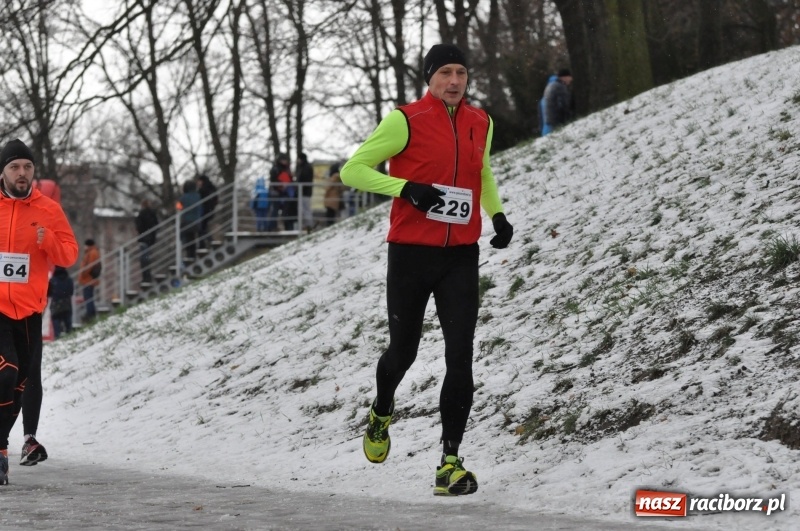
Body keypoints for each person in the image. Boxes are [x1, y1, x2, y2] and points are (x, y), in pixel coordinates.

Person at [340, 43, 514, 496]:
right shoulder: (405, 120)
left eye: (460, 73)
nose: (454, 81)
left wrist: (496, 216)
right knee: (405, 351)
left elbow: (483, 174)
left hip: (460, 255)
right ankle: (381, 411)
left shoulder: (482, 122)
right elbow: (352, 171)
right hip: (411, 254)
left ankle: (449, 462)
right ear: (429, 79)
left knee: (460, 356)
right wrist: (406, 189)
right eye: (444, 74)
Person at [0, 139, 78, 483]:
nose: (22, 173)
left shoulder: (48, 209)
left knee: (22, 380)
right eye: (15, 167)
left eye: (27, 167)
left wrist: (48, 242)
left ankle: (7, 442)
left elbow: (70, 255)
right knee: (5, 372)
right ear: (3, 171)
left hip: (30, 308)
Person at [539, 68, 573, 136]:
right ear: (565, 77)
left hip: (548, 120)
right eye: (570, 77)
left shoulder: (551, 85)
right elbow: (563, 105)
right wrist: (567, 119)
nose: (571, 80)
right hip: (555, 121)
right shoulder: (560, 87)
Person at [176, 180, 202, 262]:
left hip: (186, 221)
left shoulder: (184, 197)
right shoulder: (197, 196)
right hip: (196, 221)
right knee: (193, 238)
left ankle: (189, 255)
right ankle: (193, 255)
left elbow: (178, 207)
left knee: (187, 239)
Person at [135, 198, 159, 284]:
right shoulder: (152, 213)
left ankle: (146, 276)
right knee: (147, 257)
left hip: (143, 239)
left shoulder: (141, 214)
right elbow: (156, 225)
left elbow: (139, 227)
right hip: (151, 239)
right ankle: (148, 275)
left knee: (144, 258)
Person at [267, 153, 293, 231]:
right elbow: (273, 181)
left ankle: (287, 227)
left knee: (286, 210)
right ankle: (272, 227)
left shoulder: (286, 169)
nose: (285, 162)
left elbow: (290, 179)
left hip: (284, 193)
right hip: (276, 193)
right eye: (283, 160)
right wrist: (281, 185)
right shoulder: (275, 169)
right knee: (275, 210)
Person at [77, 238, 101, 322]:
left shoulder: (92, 253)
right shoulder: (92, 252)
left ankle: (90, 314)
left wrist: (83, 274)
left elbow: (89, 265)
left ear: (88, 245)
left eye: (85, 245)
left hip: (88, 279)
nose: (84, 247)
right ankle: (90, 313)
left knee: (88, 297)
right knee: (88, 297)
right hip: (89, 279)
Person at [48, 266, 74, 338]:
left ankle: (57, 337)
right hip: (67, 303)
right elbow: (71, 292)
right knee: (68, 323)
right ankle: (70, 336)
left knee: (56, 321)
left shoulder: (52, 280)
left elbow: (49, 293)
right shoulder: (69, 280)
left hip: (56, 304)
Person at [195, 174, 218, 249]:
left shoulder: (203, 190)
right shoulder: (211, 188)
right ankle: (206, 243)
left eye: (199, 181)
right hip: (209, 210)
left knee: (201, 228)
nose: (198, 183)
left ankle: (207, 243)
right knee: (202, 228)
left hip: (205, 211)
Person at [295, 153, 315, 231]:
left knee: (305, 209)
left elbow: (304, 179)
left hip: (304, 192)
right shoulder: (303, 167)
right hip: (303, 192)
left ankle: (309, 225)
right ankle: (306, 225)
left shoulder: (306, 167)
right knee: (304, 209)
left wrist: (298, 184)